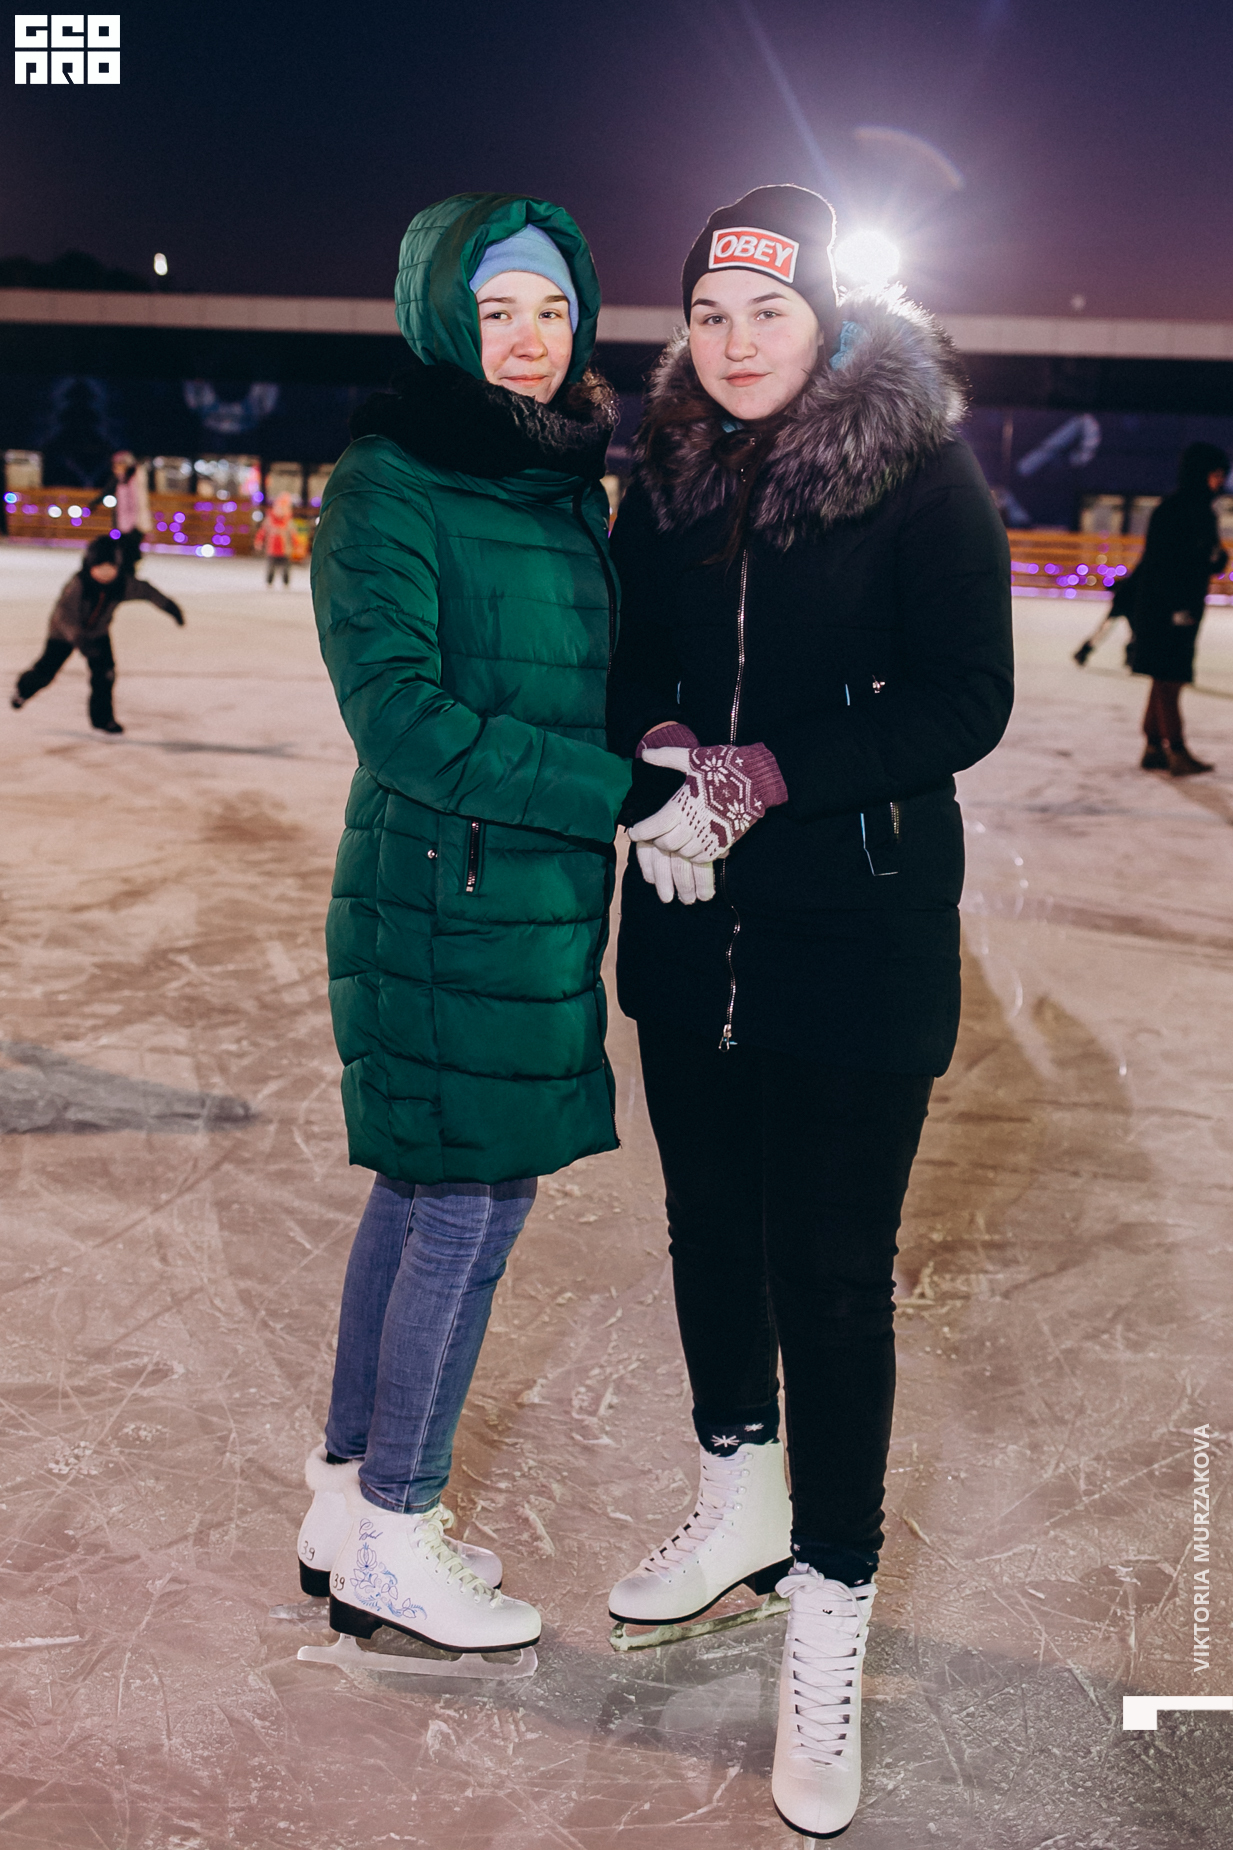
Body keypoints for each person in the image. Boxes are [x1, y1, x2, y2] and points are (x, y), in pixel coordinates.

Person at [604, 185, 1013, 1836]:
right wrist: (661, 764)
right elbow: (625, 664)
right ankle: (737, 1504)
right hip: (686, 920)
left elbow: (964, 696)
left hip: (854, 932)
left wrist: (761, 775)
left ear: (828, 318)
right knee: (708, 1225)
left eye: (766, 310)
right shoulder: (662, 476)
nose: (734, 340)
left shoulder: (918, 469)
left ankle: (827, 1609)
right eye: (709, 312)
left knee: (830, 1276)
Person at [300, 194, 632, 1659]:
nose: (531, 338)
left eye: (553, 309)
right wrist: (619, 793)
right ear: (443, 318)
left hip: (529, 905)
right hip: (444, 898)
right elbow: (401, 717)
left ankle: (345, 1501)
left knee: (429, 1190)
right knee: (466, 1205)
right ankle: (398, 1525)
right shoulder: (390, 480)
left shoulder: (560, 481)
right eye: (498, 310)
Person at [10, 533, 184, 734]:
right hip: (64, 634)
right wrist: (78, 638)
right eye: (99, 568)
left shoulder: (121, 585)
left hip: (97, 634)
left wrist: (170, 607)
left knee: (105, 675)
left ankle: (103, 719)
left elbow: (147, 591)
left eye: (110, 568)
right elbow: (64, 615)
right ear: (89, 565)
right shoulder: (79, 584)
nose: (105, 574)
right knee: (45, 672)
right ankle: (23, 691)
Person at [1127, 442, 1228, 774]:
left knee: (1163, 675)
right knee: (1171, 677)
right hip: (1172, 607)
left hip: (1172, 606)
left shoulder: (1187, 508)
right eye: (1215, 474)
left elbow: (1203, 558)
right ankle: (1177, 749)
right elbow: (1172, 563)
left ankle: (1153, 745)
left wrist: (1216, 559)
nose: (1220, 480)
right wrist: (1178, 607)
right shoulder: (1185, 510)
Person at [88, 450, 151, 571]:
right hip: (122, 521)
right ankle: (126, 571)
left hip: (137, 520)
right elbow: (106, 492)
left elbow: (140, 500)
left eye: (118, 465)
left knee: (132, 549)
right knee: (122, 548)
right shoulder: (118, 480)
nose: (115, 468)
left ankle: (131, 572)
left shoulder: (137, 478)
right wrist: (93, 505)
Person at [255, 491, 298, 586]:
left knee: (286, 567)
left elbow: (293, 535)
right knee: (271, 567)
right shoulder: (269, 521)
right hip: (272, 550)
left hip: (285, 550)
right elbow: (262, 532)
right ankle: (269, 580)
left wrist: (296, 544)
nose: (281, 511)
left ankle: (286, 580)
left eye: (284, 509)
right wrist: (259, 541)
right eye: (279, 508)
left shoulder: (288, 523)